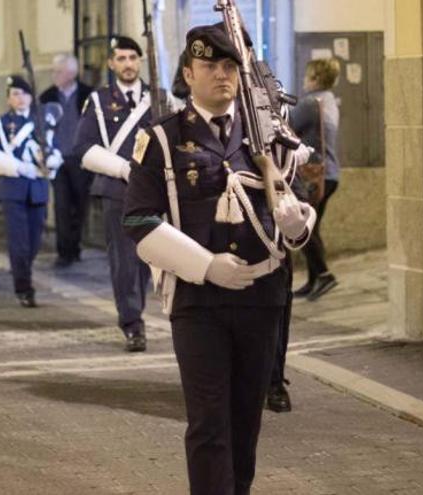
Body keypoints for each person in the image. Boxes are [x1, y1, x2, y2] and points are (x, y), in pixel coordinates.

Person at [123, 25, 316, 494]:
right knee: (209, 424)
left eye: (229, 66)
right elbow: (140, 223)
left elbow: (299, 211)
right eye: (209, 66)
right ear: (189, 73)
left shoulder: (269, 137)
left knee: (245, 422)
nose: (221, 75)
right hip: (199, 302)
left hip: (262, 297)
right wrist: (206, 266)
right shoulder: (163, 140)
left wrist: (295, 225)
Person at [72, 36, 152, 352]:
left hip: (153, 190)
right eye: (121, 58)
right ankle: (132, 322)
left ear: (141, 61)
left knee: (148, 258)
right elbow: (82, 147)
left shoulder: (159, 97)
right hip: (117, 189)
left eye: (133, 57)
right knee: (124, 261)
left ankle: (137, 310)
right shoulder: (99, 101)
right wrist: (123, 169)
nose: (128, 64)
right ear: (111, 64)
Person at [0, 75, 61, 308]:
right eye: (15, 94)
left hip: (37, 189)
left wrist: (51, 161)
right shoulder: (1, 124)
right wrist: (21, 168)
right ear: (9, 99)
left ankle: (22, 271)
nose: (20, 98)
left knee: (35, 242)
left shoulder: (42, 121)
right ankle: (24, 287)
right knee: (19, 243)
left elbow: (55, 150)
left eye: (24, 93)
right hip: (13, 189)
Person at [291, 58, 341, 301]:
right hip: (329, 174)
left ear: (315, 79)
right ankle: (313, 281)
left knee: (304, 227)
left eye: (307, 77)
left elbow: (286, 123)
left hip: (314, 176)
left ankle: (324, 275)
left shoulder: (311, 103)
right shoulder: (328, 100)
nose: (303, 81)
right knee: (313, 226)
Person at [40, 54, 93, 268]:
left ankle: (76, 246)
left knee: (80, 206)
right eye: (54, 71)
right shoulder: (47, 96)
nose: (54, 75)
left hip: (80, 159)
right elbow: (41, 126)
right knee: (61, 206)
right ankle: (64, 252)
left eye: (58, 71)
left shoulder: (88, 94)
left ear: (71, 74)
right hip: (58, 159)